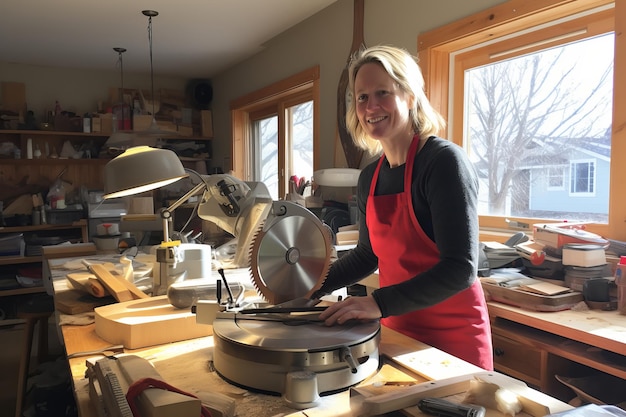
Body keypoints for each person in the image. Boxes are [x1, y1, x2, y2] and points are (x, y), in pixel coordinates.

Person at [316, 45, 493, 370]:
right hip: (398, 329)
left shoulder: (443, 162)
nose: (371, 107)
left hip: (455, 340)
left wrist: (377, 303)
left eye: (382, 92)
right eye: (362, 97)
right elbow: (368, 255)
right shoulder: (370, 176)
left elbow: (460, 268)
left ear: (410, 96)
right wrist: (310, 285)